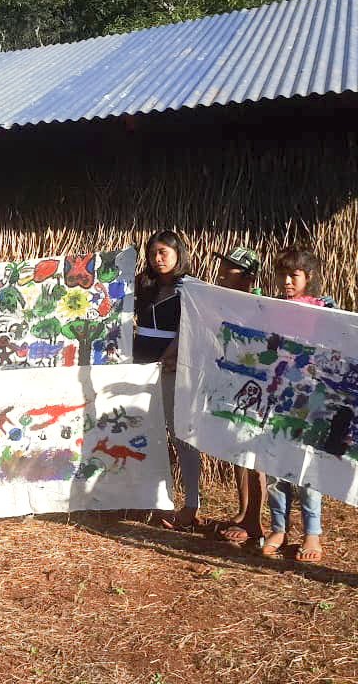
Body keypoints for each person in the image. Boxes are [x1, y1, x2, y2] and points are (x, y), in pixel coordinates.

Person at [260, 245, 333, 563]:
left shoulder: (326, 310)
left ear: (309, 276)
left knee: (307, 466)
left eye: (294, 275)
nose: (287, 281)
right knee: (275, 466)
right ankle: (278, 528)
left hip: (311, 399)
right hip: (275, 396)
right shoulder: (271, 308)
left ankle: (312, 532)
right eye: (282, 275)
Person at [133, 230, 202, 531]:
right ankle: (150, 499)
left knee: (181, 435)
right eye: (152, 253)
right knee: (146, 433)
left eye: (163, 252)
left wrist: (169, 356)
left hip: (172, 369)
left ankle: (192, 503)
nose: (157, 258)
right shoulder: (143, 286)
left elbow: (190, 327)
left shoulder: (189, 288)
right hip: (141, 370)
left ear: (178, 254)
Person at [210, 247, 267, 547]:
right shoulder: (226, 304)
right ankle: (244, 511)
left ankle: (255, 520)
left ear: (248, 277)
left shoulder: (259, 306)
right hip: (234, 385)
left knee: (253, 453)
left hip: (255, 389)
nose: (221, 273)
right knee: (237, 451)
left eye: (229, 268)